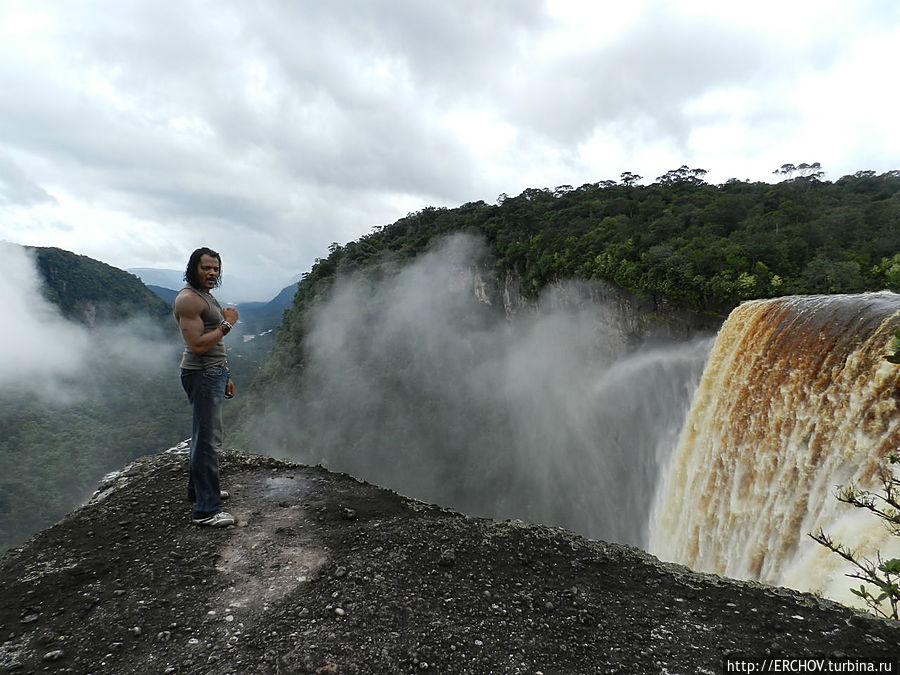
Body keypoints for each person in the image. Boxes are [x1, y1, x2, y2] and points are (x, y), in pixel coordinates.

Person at [173, 247, 238, 527]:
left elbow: (213, 347)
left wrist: (225, 374)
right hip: (202, 374)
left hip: (213, 373)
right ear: (193, 269)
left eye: (215, 268)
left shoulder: (204, 296)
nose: (212, 273)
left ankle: (197, 491)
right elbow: (198, 345)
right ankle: (207, 510)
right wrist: (227, 325)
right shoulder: (188, 300)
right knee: (207, 441)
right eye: (205, 268)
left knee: (202, 435)